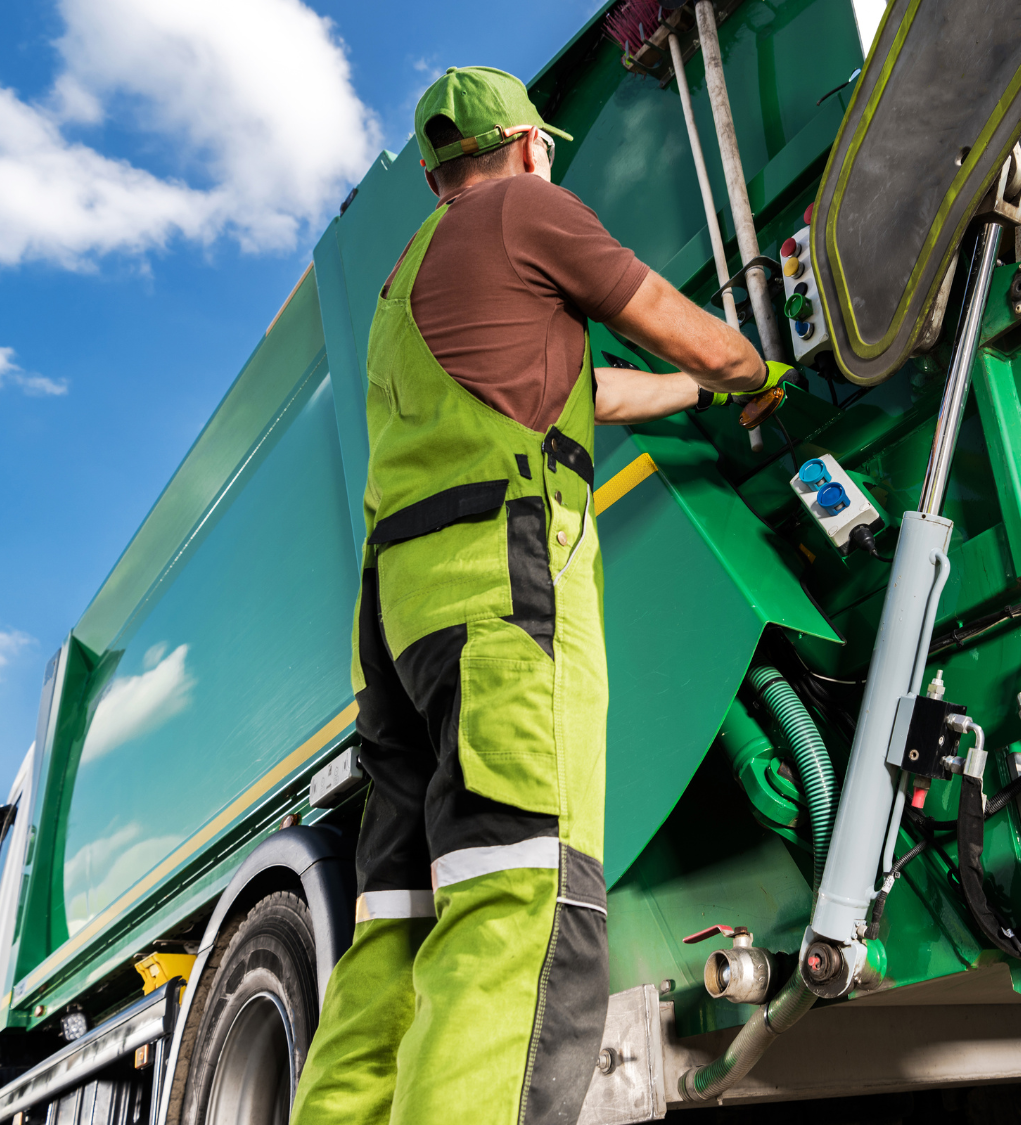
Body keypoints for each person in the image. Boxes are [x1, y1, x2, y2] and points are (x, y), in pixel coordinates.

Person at [289, 66, 789, 1125]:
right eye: (546, 146)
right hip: (500, 590)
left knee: (399, 924)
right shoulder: (528, 210)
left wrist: (693, 395)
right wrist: (752, 371)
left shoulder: (404, 281)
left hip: (397, 625)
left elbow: (596, 390)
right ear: (521, 143)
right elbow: (669, 322)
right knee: (521, 899)